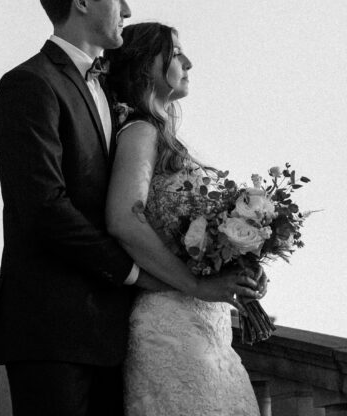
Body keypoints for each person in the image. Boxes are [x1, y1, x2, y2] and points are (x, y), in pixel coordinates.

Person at [0, 0, 143, 416]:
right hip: (51, 328)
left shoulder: (112, 90)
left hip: (113, 332)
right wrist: (132, 271)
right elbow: (43, 207)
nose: (128, 11)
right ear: (81, 1)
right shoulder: (28, 85)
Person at [105, 22, 263, 416]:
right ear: (145, 66)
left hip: (210, 330)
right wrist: (196, 284)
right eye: (175, 53)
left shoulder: (164, 138)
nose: (188, 62)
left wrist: (241, 265)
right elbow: (125, 218)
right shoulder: (139, 132)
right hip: (172, 328)